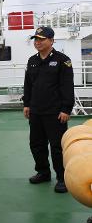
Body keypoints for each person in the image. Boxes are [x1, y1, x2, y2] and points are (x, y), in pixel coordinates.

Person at [22, 26, 74, 193]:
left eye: (41, 39)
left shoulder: (62, 60)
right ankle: (43, 172)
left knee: (57, 147)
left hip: (55, 112)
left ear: (51, 41)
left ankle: (62, 177)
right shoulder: (32, 61)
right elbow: (28, 85)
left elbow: (67, 86)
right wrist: (27, 104)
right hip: (36, 111)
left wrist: (66, 109)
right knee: (36, 144)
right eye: (35, 39)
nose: (37, 42)